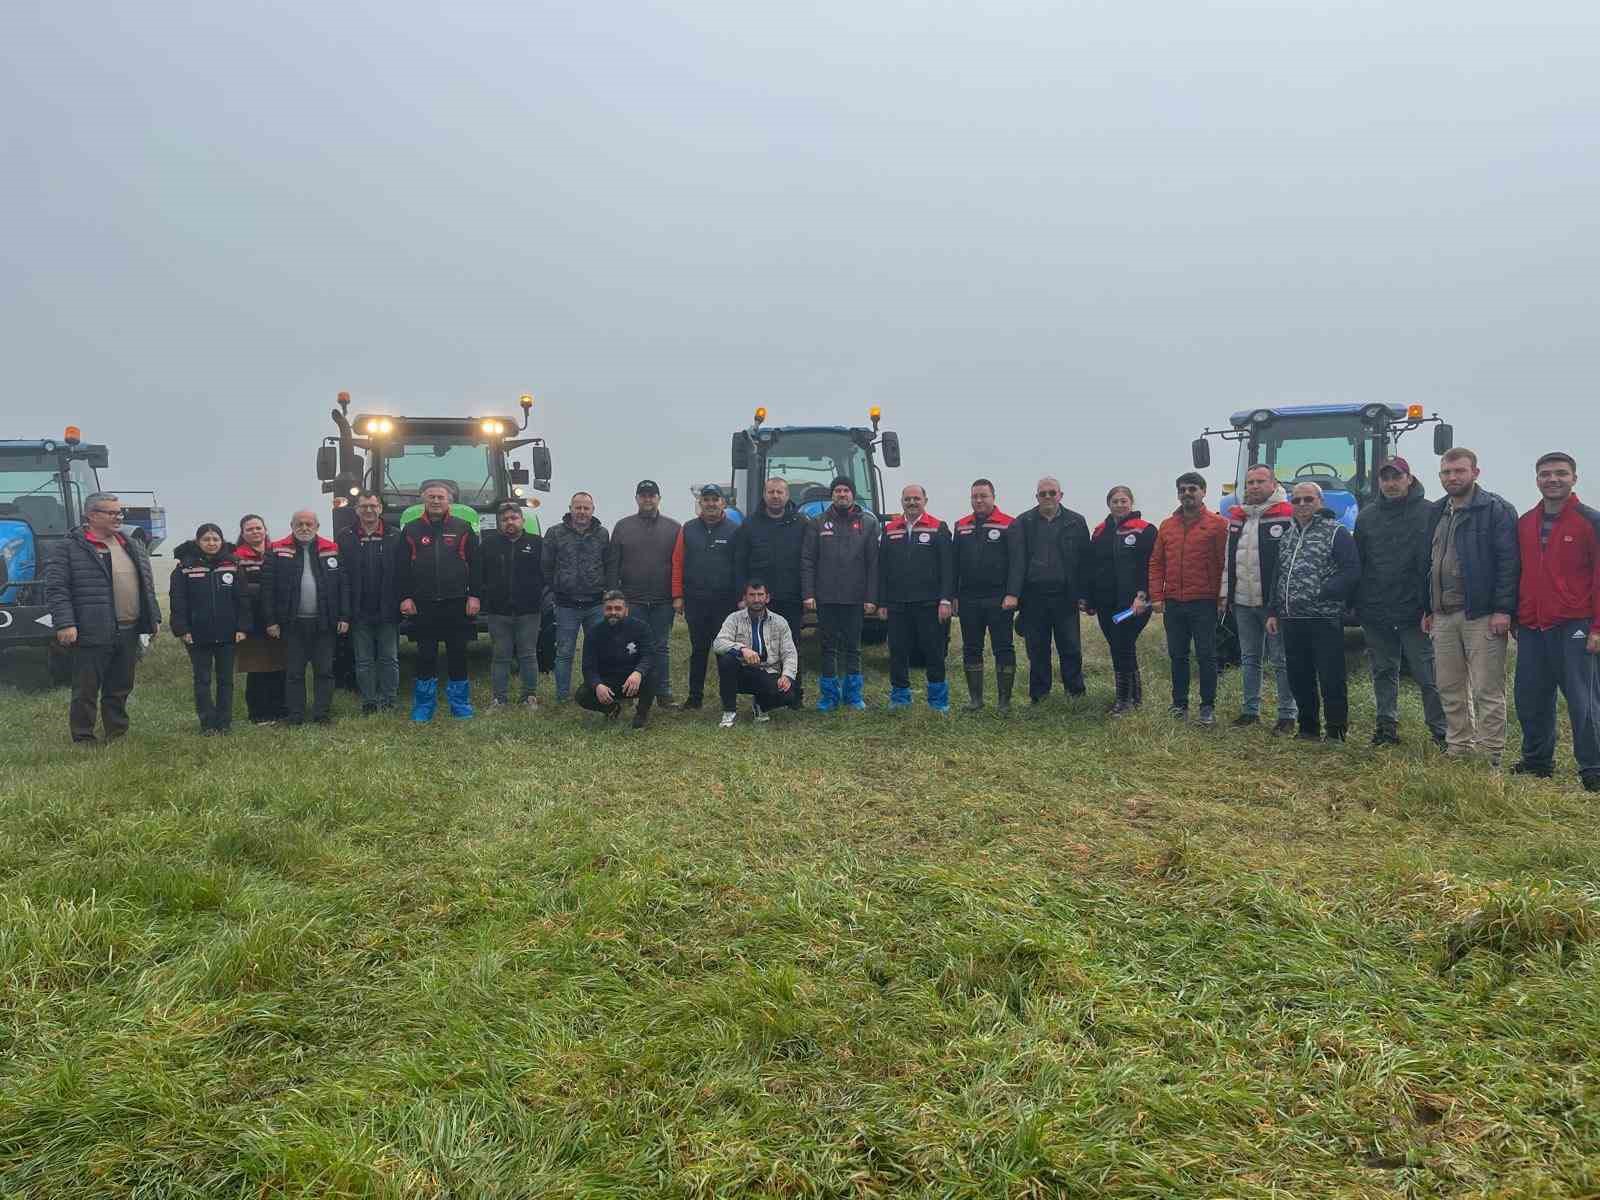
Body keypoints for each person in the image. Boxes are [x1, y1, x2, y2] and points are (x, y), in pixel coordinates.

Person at [1423, 448, 1520, 765]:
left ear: (1475, 473)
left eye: (1459, 471)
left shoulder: (1496, 510)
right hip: (1443, 614)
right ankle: (1459, 748)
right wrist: (1428, 608)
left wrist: (1504, 609)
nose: (1452, 477)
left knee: (1487, 688)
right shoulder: (1437, 511)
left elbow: (1509, 563)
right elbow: (1430, 563)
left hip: (1481, 614)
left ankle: (1491, 754)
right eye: (1446, 473)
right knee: (1449, 687)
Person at [1511, 452, 1600, 790]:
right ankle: (1537, 761)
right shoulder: (1525, 523)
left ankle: (1592, 768)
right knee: (1531, 697)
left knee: (1583, 700)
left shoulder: (1590, 521)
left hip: (1575, 624)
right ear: (1537, 480)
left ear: (1574, 478)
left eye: (1561, 473)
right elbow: (1520, 572)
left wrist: (1597, 627)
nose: (1553, 479)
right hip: (1533, 625)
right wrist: (1520, 616)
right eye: (1546, 474)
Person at [44, 491, 162, 744]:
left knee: (120, 686)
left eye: (120, 512)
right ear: (91, 515)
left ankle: (117, 732)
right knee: (86, 688)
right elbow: (56, 588)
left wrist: (154, 618)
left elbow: (146, 584)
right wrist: (65, 623)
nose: (118, 517)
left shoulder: (131, 544)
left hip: (128, 629)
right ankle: (83, 736)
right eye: (111, 513)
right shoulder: (68, 548)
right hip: (91, 629)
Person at [1354, 458, 1446, 747]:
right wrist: (1358, 603)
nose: (1391, 484)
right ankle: (1386, 727)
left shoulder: (1431, 513)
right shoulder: (1367, 517)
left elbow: (1436, 563)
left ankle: (1442, 732)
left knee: (1427, 674)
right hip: (1376, 608)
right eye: (1385, 478)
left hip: (1415, 611)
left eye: (1397, 477)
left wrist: (1429, 606)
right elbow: (1360, 563)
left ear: (1409, 478)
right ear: (1379, 482)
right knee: (1383, 670)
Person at [1266, 483, 1361, 741]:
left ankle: (1335, 731)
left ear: (1320, 501)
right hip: (1292, 619)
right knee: (1299, 677)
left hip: (1324, 618)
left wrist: (1324, 591)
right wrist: (1273, 611)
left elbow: (1351, 570)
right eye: (1296, 500)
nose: (1302, 504)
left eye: (1308, 499)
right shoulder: (1287, 536)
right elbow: (1279, 574)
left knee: (1331, 678)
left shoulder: (1336, 532)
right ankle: (1308, 728)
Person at [1220, 465, 1297, 732]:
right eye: (1250, 482)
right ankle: (1250, 710)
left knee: (1281, 660)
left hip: (1272, 604)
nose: (1254, 486)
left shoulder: (1288, 515)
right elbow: (1229, 558)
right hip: (1242, 601)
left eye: (1260, 481)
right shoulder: (1237, 517)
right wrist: (1225, 593)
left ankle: (1287, 713)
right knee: (1249, 657)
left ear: (1273, 483)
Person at [1004, 476, 1093, 704]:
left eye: (1052, 493)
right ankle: (1039, 696)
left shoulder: (1076, 521)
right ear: (1036, 497)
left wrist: (1085, 595)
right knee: (1037, 649)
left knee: (1071, 647)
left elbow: (1085, 562)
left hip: (1066, 596)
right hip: (1033, 598)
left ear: (1060, 495)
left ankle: (1075, 693)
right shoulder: (1022, 522)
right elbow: (1016, 561)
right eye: (1043, 494)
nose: (1047, 497)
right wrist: (1013, 593)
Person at [1149, 471, 1228, 725]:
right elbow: (1156, 563)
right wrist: (1157, 596)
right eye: (1182, 489)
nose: (1187, 494)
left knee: (1206, 655)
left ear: (1203, 492)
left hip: (1204, 601)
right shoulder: (1167, 526)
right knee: (1178, 655)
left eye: (1192, 489)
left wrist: (1221, 597)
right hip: (1174, 602)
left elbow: (1222, 564)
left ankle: (1207, 707)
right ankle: (1179, 704)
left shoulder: (1217, 525)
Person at [397, 483, 481, 721]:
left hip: (457, 602)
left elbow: (477, 565)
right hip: (424, 604)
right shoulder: (411, 530)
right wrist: (405, 596)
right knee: (425, 654)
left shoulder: (463, 528)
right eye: (432, 497)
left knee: (457, 652)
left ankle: (460, 705)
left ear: (449, 501)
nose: (436, 501)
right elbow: (401, 568)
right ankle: (423, 706)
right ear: (423, 499)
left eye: (440, 497)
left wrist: (474, 595)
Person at [263, 509, 349, 726]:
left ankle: (322, 715)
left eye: (309, 524)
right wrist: (271, 621)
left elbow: (343, 586)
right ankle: (295, 716)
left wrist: (344, 616)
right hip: (292, 623)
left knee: (325, 671)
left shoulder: (332, 548)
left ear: (317, 527)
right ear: (291, 526)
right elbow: (268, 589)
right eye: (299, 524)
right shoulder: (277, 549)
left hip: (324, 622)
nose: (304, 528)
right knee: (294, 673)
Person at [801, 477, 879, 711]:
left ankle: (853, 696)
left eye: (846, 490)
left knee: (853, 648)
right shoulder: (817, 523)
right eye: (837, 491)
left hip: (855, 598)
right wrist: (809, 593)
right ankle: (829, 697)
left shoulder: (867, 523)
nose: (842, 494)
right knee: (828, 647)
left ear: (853, 495)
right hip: (826, 597)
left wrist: (872, 597)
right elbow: (807, 560)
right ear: (831, 495)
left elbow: (873, 564)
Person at [877, 484, 954, 710]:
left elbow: (947, 568)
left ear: (925, 500)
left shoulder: (938, 527)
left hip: (929, 603)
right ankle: (900, 697)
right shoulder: (890, 529)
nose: (912, 502)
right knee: (898, 650)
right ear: (901, 501)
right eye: (907, 499)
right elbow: (883, 569)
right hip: (897, 603)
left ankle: (938, 700)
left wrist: (945, 599)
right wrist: (882, 601)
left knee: (933, 650)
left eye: (916, 498)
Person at [606, 480, 681, 705]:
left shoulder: (674, 527)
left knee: (660, 647)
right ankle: (627, 693)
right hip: (632, 600)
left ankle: (663, 693)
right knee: (630, 647)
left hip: (662, 600)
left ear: (659, 498)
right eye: (643, 495)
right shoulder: (622, 526)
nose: (647, 499)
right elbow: (613, 564)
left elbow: (678, 564)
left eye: (652, 495)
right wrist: (614, 595)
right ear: (637, 498)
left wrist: (677, 596)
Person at [168, 523, 246, 734]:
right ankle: (207, 723)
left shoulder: (232, 565)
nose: (211, 543)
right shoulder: (185, 567)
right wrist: (182, 629)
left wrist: (241, 627)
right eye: (206, 539)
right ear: (197, 542)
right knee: (202, 679)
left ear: (222, 542)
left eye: (215, 539)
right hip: (197, 635)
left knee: (226, 680)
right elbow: (178, 601)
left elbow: (242, 600)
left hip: (228, 633)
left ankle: (224, 721)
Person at [734, 477, 809, 684]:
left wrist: (808, 593)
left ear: (787, 495)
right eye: (771, 492)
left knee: (791, 646)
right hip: (760, 599)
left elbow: (809, 560)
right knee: (761, 648)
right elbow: (740, 562)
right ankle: (765, 694)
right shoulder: (749, 524)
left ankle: (794, 694)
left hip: (791, 596)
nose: (775, 496)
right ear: (764, 495)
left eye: (780, 492)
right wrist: (743, 595)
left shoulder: (801, 523)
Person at [1089, 486, 1156, 715]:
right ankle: (1135, 697)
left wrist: (1142, 595)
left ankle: (1123, 701)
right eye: (1115, 501)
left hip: (1133, 604)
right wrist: (1089, 599)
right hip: (1106, 602)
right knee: (1120, 647)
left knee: (1122, 646)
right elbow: (1093, 568)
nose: (1120, 505)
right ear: (1109, 504)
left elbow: (1150, 565)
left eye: (1123, 500)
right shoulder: (1099, 532)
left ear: (1131, 502)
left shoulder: (1144, 530)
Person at [952, 479, 1018, 710]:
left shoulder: (1009, 523)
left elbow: (1016, 564)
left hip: (999, 599)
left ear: (993, 497)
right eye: (975, 496)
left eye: (983, 496)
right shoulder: (961, 525)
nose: (978, 500)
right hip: (969, 598)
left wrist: (1012, 593)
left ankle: (1004, 701)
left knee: (1003, 647)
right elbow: (954, 564)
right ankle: (976, 700)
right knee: (971, 648)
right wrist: (954, 595)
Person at [672, 485, 740, 709]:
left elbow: (741, 566)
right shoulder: (688, 528)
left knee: (724, 652)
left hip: (725, 602)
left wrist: (741, 597)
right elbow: (678, 563)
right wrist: (678, 595)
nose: (711, 503)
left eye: (715, 499)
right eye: (707, 499)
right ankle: (694, 698)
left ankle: (727, 698)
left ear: (724, 503)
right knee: (699, 650)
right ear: (700, 503)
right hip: (696, 601)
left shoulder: (734, 529)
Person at [542, 491, 609, 703]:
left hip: (595, 603)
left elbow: (608, 564)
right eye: (577, 507)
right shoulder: (555, 533)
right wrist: (557, 588)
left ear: (592, 510)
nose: (581, 512)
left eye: (585, 508)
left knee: (597, 651)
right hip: (566, 604)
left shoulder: (603, 534)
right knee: (564, 653)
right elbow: (546, 566)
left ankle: (596, 692)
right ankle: (562, 696)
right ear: (570, 508)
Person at [336, 491, 400, 714]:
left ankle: (389, 699)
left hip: (387, 608)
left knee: (389, 658)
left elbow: (402, 573)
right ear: (356, 510)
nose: (369, 510)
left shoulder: (394, 535)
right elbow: (341, 574)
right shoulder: (345, 537)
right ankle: (369, 702)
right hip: (359, 608)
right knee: (363, 660)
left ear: (380, 508)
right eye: (363, 506)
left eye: (373, 506)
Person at [479, 500, 545, 708]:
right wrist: (486, 597)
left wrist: (538, 597)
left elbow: (546, 574)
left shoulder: (537, 543)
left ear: (522, 520)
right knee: (501, 656)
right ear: (499, 523)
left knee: (528, 655)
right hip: (498, 612)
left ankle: (529, 696)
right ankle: (499, 699)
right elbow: (479, 574)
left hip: (529, 611)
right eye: (505, 519)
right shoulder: (488, 544)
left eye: (514, 518)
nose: (509, 522)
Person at [713, 579, 801, 726]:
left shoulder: (780, 622)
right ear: (745, 598)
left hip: (767, 671)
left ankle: (760, 704)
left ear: (767, 598)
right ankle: (729, 712)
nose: (756, 599)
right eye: (752, 595)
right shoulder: (733, 619)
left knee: (789, 696)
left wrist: (786, 676)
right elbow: (718, 643)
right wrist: (742, 649)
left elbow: (789, 653)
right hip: (741, 671)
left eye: (760, 595)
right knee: (726, 659)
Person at [232, 513, 287, 724]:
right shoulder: (237, 557)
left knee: (280, 666)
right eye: (250, 529)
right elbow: (241, 590)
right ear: (243, 533)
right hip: (253, 621)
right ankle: (259, 714)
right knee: (257, 669)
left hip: (277, 619)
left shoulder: (278, 552)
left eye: (258, 528)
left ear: (265, 529)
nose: (255, 532)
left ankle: (281, 711)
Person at [575, 590, 656, 728]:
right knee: (582, 695)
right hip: (608, 682)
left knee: (653, 675)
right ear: (603, 610)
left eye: (618, 608)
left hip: (632, 681)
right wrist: (597, 685)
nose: (613, 612)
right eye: (609, 608)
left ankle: (641, 714)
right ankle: (611, 708)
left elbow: (648, 655)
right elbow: (588, 667)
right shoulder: (594, 632)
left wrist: (638, 672)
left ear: (626, 610)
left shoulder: (641, 628)